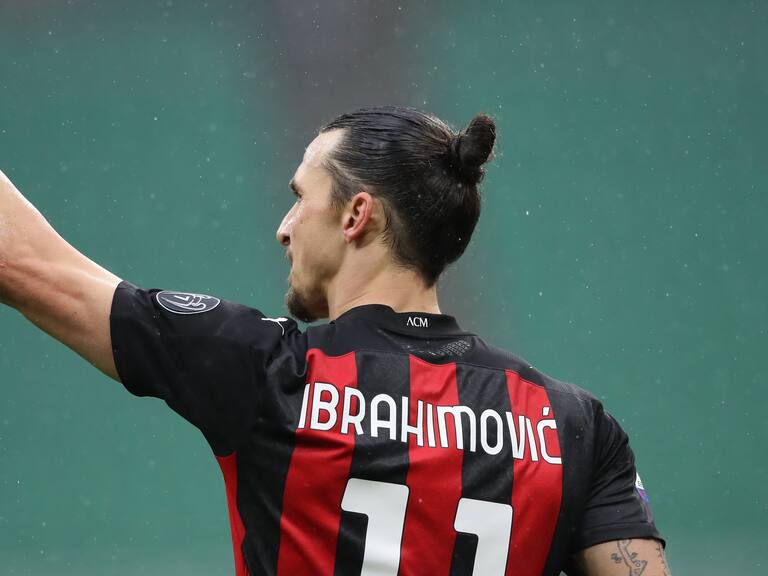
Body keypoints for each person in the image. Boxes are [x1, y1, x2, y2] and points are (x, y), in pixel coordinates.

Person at [0, 106, 670, 576]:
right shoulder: (574, 425)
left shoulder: (265, 370)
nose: (284, 227)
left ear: (356, 214)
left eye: (301, 197)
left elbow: (25, 265)